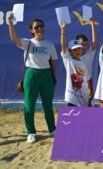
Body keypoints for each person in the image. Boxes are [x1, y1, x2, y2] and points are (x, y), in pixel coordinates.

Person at [8, 14, 57, 143]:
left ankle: (52, 129)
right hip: (31, 74)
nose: (39, 28)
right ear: (32, 30)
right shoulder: (28, 42)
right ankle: (30, 132)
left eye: (41, 26)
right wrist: (10, 23)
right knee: (29, 105)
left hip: (46, 74)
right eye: (36, 27)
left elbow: (53, 62)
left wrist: (53, 77)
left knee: (48, 104)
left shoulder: (50, 45)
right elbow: (14, 39)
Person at [60, 23, 93, 107]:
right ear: (70, 51)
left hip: (84, 96)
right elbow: (63, 46)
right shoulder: (68, 60)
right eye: (75, 49)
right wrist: (63, 30)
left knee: (83, 119)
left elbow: (88, 80)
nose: (78, 51)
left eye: (79, 48)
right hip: (72, 97)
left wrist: (90, 92)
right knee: (72, 118)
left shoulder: (83, 63)